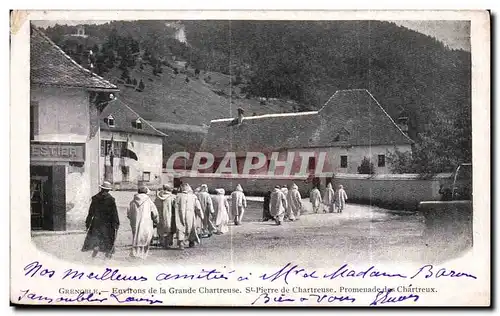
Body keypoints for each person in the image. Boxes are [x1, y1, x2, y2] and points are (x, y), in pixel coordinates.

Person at [82, 181, 120, 259]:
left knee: (97, 238)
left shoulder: (95, 198)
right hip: (108, 223)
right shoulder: (111, 199)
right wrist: (116, 223)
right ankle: (108, 255)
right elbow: (114, 213)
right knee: (108, 238)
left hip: (96, 222)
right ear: (108, 190)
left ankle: (94, 254)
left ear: (102, 188)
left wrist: (88, 223)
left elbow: (90, 212)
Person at [127, 186, 159, 259]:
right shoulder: (148, 201)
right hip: (146, 222)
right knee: (145, 237)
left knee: (136, 236)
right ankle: (143, 254)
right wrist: (155, 220)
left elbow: (128, 213)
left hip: (135, 222)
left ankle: (135, 253)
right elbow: (155, 212)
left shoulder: (132, 201)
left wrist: (132, 219)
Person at [174, 183, 204, 249]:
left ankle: (181, 243)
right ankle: (191, 241)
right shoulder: (193, 196)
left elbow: (174, 205)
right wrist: (201, 215)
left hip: (180, 214)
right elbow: (198, 207)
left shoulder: (178, 196)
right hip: (190, 214)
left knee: (180, 227)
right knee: (192, 227)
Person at [154, 184, 176, 249]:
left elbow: (155, 205)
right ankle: (168, 242)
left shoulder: (158, 197)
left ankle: (161, 242)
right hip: (169, 215)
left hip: (159, 215)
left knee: (160, 228)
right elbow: (174, 206)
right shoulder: (172, 197)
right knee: (169, 227)